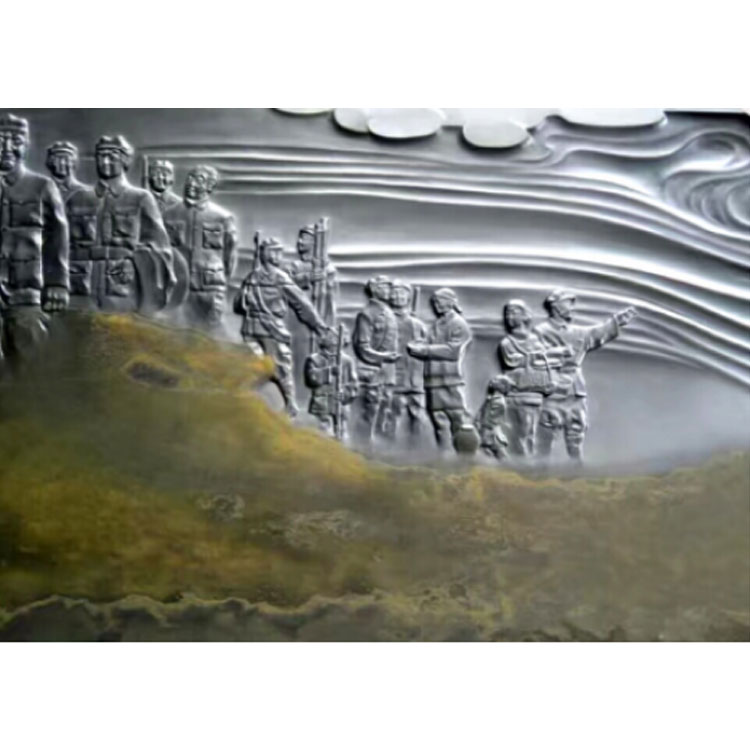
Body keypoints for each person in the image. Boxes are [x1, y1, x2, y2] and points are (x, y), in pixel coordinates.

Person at [66, 135, 177, 312]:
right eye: (101, 155)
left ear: (125, 160)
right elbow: (59, 244)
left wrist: (136, 261)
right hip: (79, 287)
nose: (105, 161)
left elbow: (160, 246)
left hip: (121, 289)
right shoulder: (78, 199)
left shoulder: (141, 198)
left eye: (112, 156)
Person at [535, 289, 637, 461]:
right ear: (555, 306)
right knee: (547, 433)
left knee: (576, 433)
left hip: (575, 392)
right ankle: (539, 471)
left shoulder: (577, 332)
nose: (572, 307)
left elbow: (596, 333)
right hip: (552, 391)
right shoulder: (540, 331)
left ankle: (577, 469)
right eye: (568, 303)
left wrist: (616, 321)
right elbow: (535, 357)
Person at [0, 113, 69, 359]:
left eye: (16, 141)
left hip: (27, 291)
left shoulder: (42, 186)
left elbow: (58, 236)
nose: (7, 148)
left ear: (27, 144)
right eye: (0, 140)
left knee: (30, 355)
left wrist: (57, 283)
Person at [234, 237, 328, 416]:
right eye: (277, 252)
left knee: (258, 366)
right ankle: (288, 403)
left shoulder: (253, 277)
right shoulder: (275, 277)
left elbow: (238, 305)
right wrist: (319, 326)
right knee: (280, 366)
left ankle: (268, 403)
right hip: (270, 330)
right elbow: (302, 303)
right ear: (269, 254)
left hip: (252, 328)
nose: (280, 255)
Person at [163, 165, 237, 327]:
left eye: (199, 179)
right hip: (178, 289)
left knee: (212, 333)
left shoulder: (223, 217)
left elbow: (229, 256)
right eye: (190, 178)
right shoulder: (169, 214)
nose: (191, 183)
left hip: (210, 289)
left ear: (210, 186)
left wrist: (220, 279)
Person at [407, 288, 477, 453]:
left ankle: (465, 456)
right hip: (432, 381)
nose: (436, 304)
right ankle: (444, 457)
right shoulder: (436, 325)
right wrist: (418, 343)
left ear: (451, 302)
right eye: (435, 302)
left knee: (458, 419)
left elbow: (453, 351)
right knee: (438, 422)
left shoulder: (459, 324)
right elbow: (426, 342)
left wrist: (424, 349)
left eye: (440, 301)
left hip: (451, 381)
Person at [498, 299, 567, 458]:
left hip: (535, 394)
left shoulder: (535, 340)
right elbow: (512, 361)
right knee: (521, 432)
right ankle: (523, 461)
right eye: (507, 313)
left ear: (525, 316)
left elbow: (545, 361)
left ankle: (528, 461)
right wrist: (535, 358)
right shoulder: (507, 343)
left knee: (531, 431)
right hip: (518, 395)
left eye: (514, 312)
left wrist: (552, 364)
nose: (509, 317)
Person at [352, 275, 400, 440]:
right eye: (385, 287)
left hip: (387, 371)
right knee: (371, 408)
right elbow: (363, 347)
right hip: (372, 370)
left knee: (385, 407)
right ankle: (364, 441)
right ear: (375, 289)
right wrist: (383, 357)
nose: (389, 290)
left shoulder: (388, 312)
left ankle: (380, 441)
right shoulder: (367, 314)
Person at [388, 280, 428, 441]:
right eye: (395, 293)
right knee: (391, 414)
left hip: (415, 378)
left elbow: (428, 348)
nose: (398, 297)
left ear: (408, 297)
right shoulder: (385, 321)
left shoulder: (418, 325)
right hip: (392, 376)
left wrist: (421, 346)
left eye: (402, 293)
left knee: (418, 414)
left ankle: (418, 447)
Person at [304, 326, 359, 439]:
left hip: (340, 405)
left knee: (342, 434)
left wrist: (345, 394)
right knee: (323, 433)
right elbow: (311, 378)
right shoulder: (314, 359)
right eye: (330, 337)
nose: (333, 341)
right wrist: (329, 372)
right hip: (322, 404)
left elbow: (353, 385)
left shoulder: (347, 361)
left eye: (335, 338)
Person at [288, 223, 337, 326]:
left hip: (320, 319)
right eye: (300, 238)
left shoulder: (327, 267)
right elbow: (285, 285)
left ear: (315, 242)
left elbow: (331, 300)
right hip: (297, 321)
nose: (299, 241)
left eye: (304, 238)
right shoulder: (294, 266)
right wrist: (307, 278)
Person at [475, 375, 513, 460]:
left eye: (496, 380)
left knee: (501, 454)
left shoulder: (498, 401)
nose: (492, 381)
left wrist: (481, 425)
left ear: (502, 386)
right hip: (487, 430)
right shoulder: (492, 399)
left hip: (491, 432)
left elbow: (490, 418)